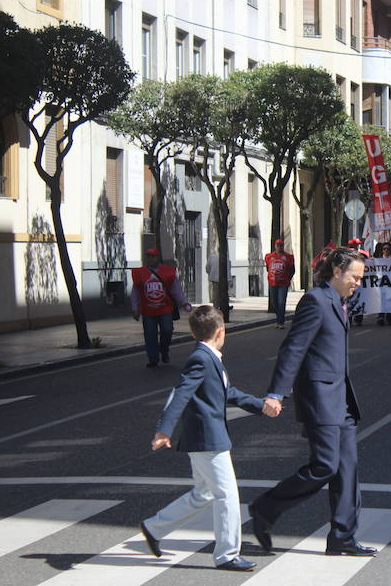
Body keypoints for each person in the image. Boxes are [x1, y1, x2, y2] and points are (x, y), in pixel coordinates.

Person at [249, 248, 378, 558]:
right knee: (325, 465)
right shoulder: (316, 301)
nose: (358, 283)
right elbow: (293, 349)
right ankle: (265, 508)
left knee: (347, 469)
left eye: (361, 278)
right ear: (336, 271)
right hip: (320, 398)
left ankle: (342, 537)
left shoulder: (339, 301)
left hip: (341, 398)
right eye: (354, 277)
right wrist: (276, 393)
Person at [140, 305, 279, 572]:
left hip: (204, 437)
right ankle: (227, 555)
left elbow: (227, 392)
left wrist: (260, 405)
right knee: (226, 495)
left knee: (203, 493)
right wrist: (163, 429)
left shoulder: (208, 357)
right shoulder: (201, 360)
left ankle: (154, 528)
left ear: (193, 333)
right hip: (208, 439)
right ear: (220, 332)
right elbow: (180, 393)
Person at [131, 247, 192, 368]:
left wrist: (184, 302)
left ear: (158, 258)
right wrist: (135, 307)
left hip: (165, 309)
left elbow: (176, 290)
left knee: (167, 330)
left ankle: (164, 350)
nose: (150, 259)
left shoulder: (168, 272)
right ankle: (153, 359)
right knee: (150, 335)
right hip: (148, 311)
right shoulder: (140, 273)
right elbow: (135, 292)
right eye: (148, 257)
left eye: (152, 256)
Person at [265, 239, 296, 329]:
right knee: (275, 303)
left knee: (281, 302)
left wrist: (288, 279)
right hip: (272, 283)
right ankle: (279, 319)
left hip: (283, 283)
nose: (279, 247)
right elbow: (268, 268)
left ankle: (281, 322)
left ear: (283, 246)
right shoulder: (269, 257)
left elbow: (292, 270)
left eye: (281, 245)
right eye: (277, 245)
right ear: (275, 246)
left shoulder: (288, 257)